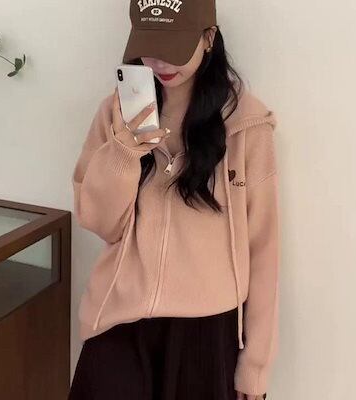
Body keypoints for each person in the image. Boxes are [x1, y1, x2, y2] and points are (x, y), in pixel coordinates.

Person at [68, 0, 280, 399]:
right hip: (120, 320)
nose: (160, 62)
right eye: (150, 45)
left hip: (206, 332)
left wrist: (256, 366)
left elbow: (263, 249)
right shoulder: (116, 113)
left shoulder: (246, 125)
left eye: (175, 46)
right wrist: (124, 152)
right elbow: (99, 222)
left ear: (209, 38)